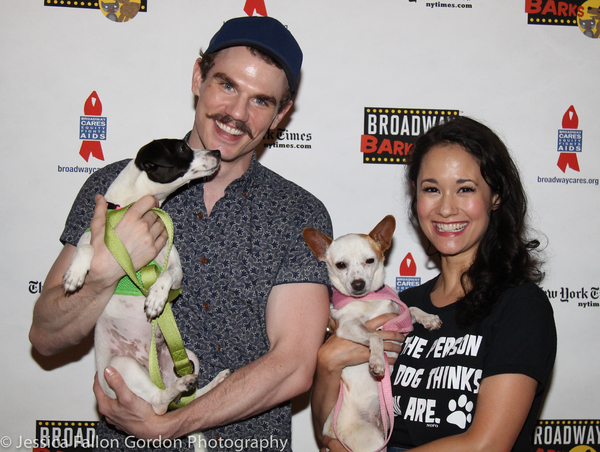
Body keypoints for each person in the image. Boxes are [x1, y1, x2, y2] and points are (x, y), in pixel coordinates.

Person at [29, 16, 332, 452]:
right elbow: (45, 335)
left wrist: (170, 425)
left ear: (281, 115)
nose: (237, 114)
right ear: (197, 77)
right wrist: (107, 267)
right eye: (227, 85)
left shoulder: (297, 213)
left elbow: (294, 365)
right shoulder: (113, 188)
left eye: (261, 101)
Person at [311, 116, 557, 452]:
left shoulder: (520, 306)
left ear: (496, 196)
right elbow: (329, 431)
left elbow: (486, 445)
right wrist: (328, 363)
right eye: (431, 189)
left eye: (465, 189)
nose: (446, 207)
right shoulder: (401, 305)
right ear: (416, 198)